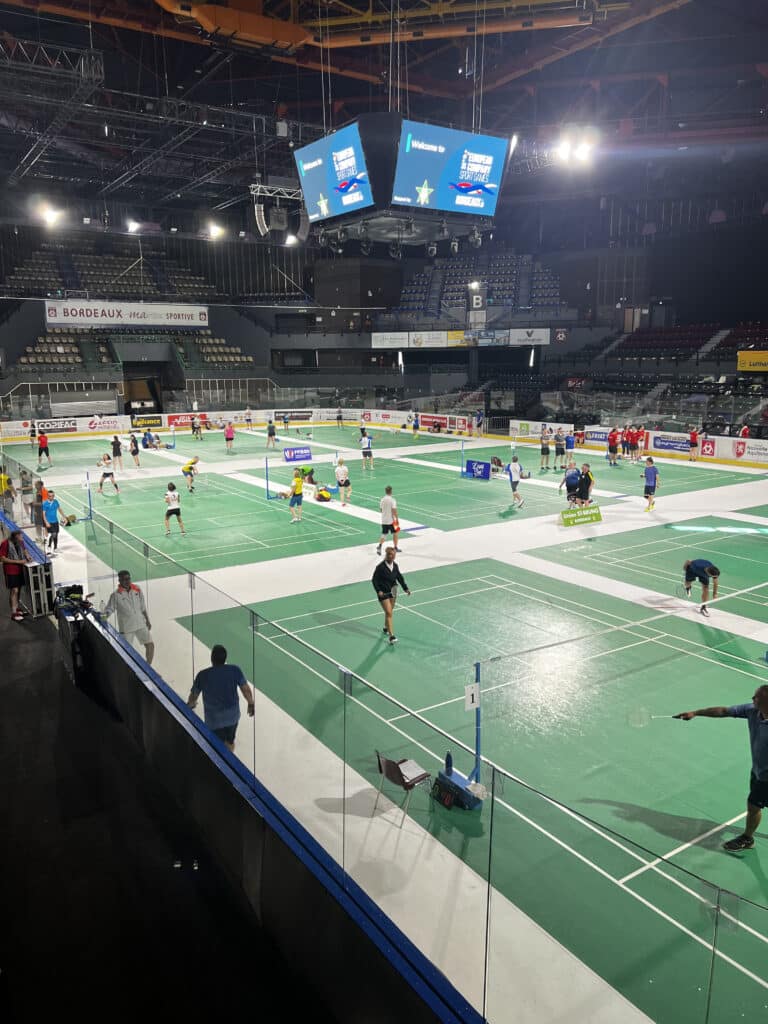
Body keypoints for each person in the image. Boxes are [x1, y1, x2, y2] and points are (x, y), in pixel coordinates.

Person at [674, 686, 768, 852]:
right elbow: (724, 711)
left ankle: (747, 838)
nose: (752, 699)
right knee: (754, 805)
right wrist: (695, 713)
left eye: (757, 698)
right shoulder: (752, 710)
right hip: (758, 771)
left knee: (754, 805)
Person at [187, 644, 255, 752]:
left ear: (212, 658)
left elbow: (194, 695)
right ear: (225, 658)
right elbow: (245, 689)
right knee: (230, 741)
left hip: (214, 720)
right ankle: (229, 759)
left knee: (214, 746)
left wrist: (190, 705)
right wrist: (251, 703)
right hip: (232, 717)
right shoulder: (235, 670)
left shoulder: (203, 675)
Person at [103, 569, 154, 664]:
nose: (127, 581)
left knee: (150, 645)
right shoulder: (115, 595)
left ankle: (149, 667)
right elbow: (109, 609)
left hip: (140, 623)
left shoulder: (137, 589)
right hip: (126, 627)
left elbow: (143, 607)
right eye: (124, 579)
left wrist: (147, 620)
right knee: (126, 651)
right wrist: (103, 617)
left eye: (128, 579)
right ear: (119, 581)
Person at [372, 546, 412, 645]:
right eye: (390, 555)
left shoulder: (395, 565)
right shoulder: (380, 567)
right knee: (389, 613)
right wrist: (378, 591)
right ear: (387, 555)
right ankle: (391, 636)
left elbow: (399, 577)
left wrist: (405, 588)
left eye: (393, 555)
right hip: (383, 593)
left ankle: (386, 627)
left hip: (393, 590)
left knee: (390, 611)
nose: (392, 557)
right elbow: (374, 580)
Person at [0, 529, 30, 622]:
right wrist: (18, 561)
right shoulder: (5, 543)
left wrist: (27, 555)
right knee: (14, 590)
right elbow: (2, 558)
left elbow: (24, 550)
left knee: (19, 589)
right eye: (20, 535)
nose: (22, 537)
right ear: (15, 536)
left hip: (20, 569)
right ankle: (13, 613)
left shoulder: (20, 542)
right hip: (11, 570)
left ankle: (16, 608)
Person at [376, 485, 399, 554]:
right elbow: (394, 510)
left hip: (384, 520)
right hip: (391, 520)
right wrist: (397, 519)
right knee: (395, 533)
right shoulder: (392, 500)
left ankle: (380, 546)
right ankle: (395, 547)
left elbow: (381, 509)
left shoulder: (382, 499)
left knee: (384, 534)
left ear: (386, 491)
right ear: (391, 491)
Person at [42, 488, 65, 555]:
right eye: (50, 496)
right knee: (53, 534)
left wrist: (64, 516)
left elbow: (59, 509)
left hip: (55, 521)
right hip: (49, 521)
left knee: (56, 534)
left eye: (52, 496)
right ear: (47, 496)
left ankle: (55, 548)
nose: (51, 497)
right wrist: (46, 522)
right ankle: (49, 546)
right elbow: (43, 514)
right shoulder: (45, 504)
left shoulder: (56, 502)